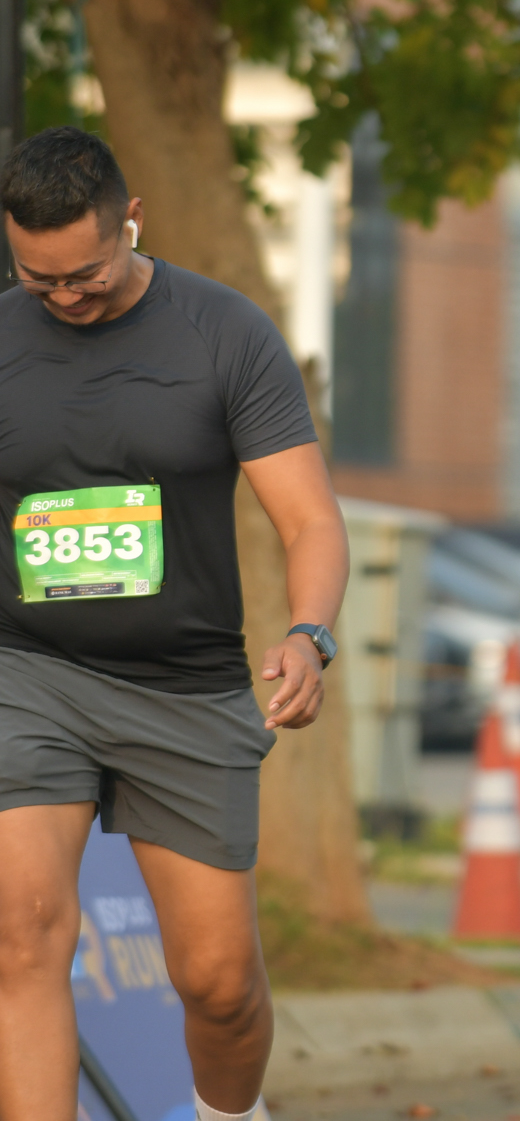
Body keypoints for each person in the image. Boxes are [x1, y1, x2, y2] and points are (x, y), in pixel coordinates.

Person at [0, 127, 349, 1121]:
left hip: (184, 686)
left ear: (132, 221)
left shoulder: (223, 333)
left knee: (219, 984)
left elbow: (310, 520)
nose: (66, 297)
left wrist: (309, 635)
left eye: (85, 274)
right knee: (22, 934)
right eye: (38, 278)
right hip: (25, 670)